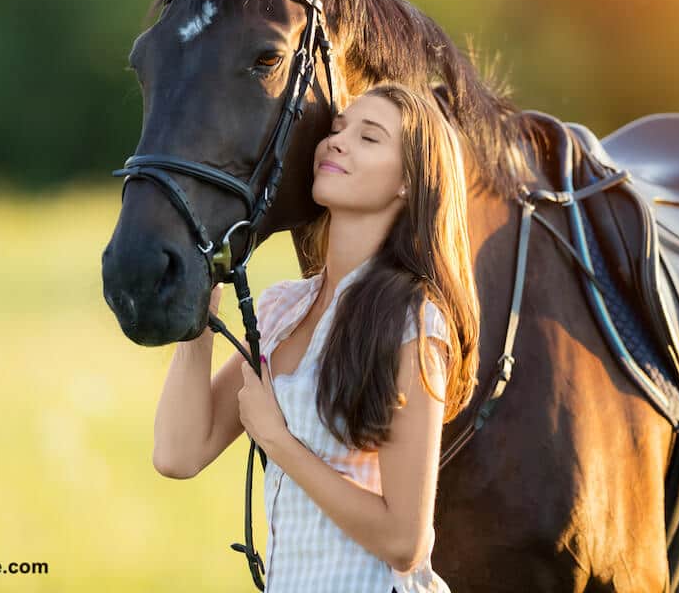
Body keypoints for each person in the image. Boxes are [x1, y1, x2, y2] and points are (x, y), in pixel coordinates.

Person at [152, 84, 480, 592]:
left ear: (409, 183)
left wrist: (278, 441)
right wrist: (201, 313)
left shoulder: (413, 322)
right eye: (337, 129)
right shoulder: (283, 309)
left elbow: (404, 540)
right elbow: (178, 453)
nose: (336, 142)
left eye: (369, 138)